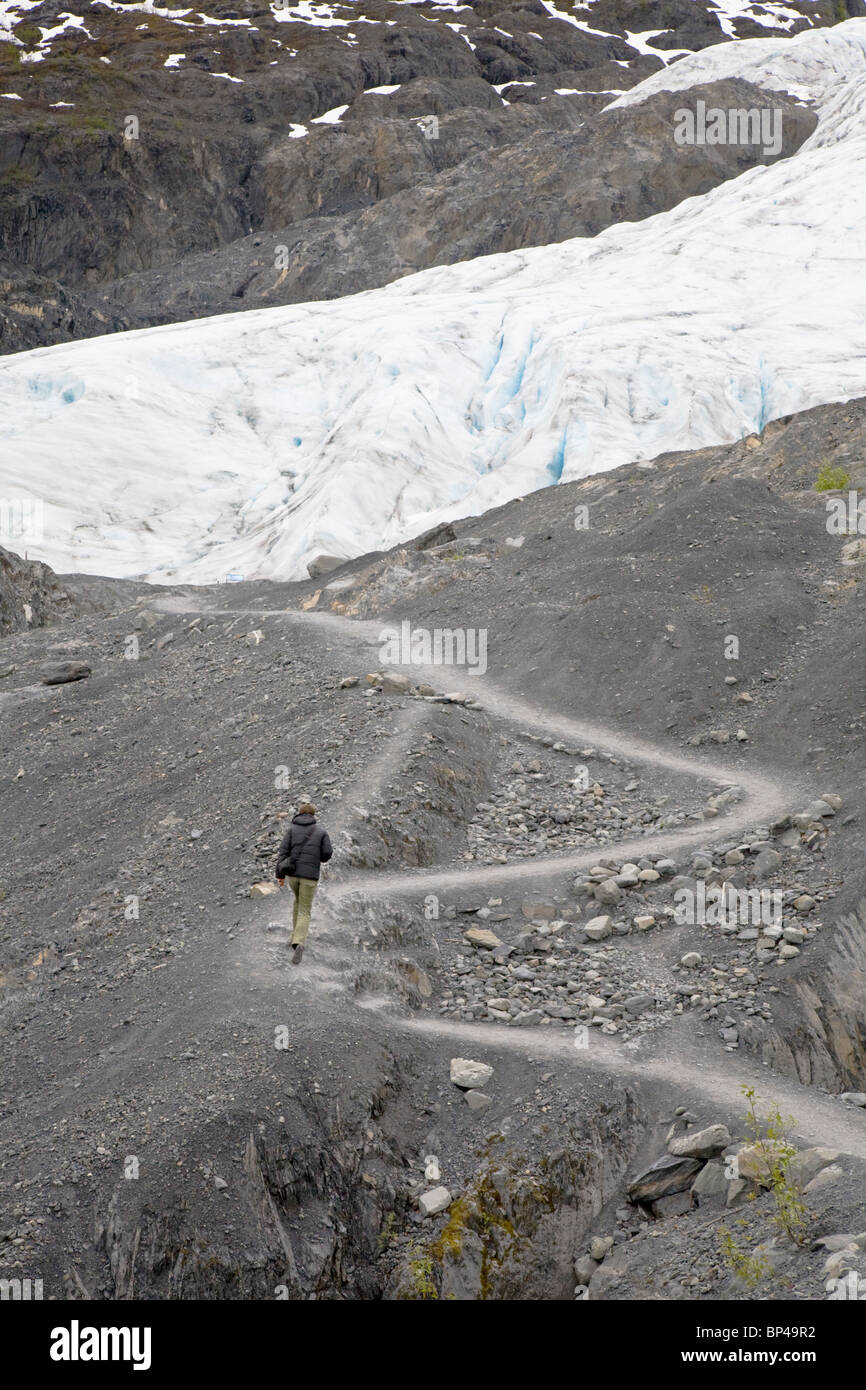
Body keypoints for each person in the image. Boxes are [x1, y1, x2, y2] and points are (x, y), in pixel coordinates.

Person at [276, 803, 333, 964]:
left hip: (293, 876)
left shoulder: (291, 830)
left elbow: (283, 853)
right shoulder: (321, 832)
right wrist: (318, 857)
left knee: (297, 902)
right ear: (313, 815)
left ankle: (294, 936)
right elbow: (327, 853)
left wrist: (280, 875)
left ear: (299, 814)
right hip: (310, 877)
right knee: (305, 909)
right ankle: (299, 943)